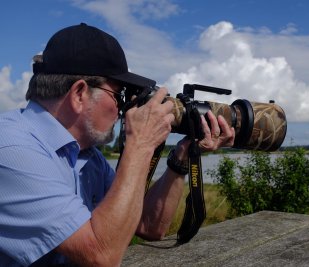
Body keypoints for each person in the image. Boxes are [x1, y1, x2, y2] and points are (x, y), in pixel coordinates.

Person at [0, 23, 235, 266]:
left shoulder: (86, 155)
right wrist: (141, 144)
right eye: (119, 95)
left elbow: (148, 224)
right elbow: (102, 255)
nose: (124, 109)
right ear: (79, 93)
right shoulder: (12, 151)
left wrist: (182, 156)